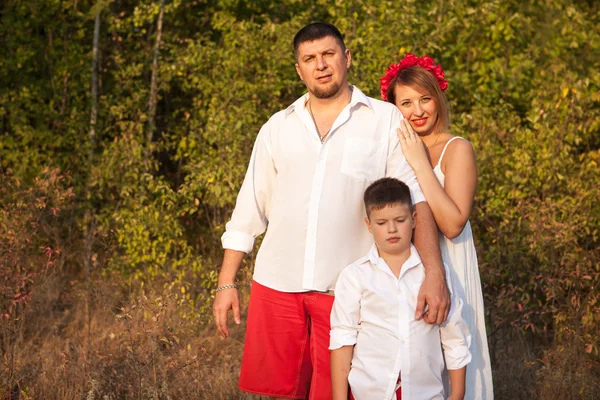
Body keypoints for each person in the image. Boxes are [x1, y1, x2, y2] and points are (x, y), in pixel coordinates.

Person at [213, 23, 449, 399]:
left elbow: (416, 200)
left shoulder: (385, 120)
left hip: (347, 289)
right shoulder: (277, 127)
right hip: (277, 285)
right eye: (309, 59)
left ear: (347, 58)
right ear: (299, 69)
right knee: (280, 393)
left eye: (328, 54)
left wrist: (433, 273)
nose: (320, 65)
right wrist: (227, 282)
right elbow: (248, 210)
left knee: (340, 392)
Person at [380, 53, 494, 399]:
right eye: (406, 102)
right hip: (403, 269)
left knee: (453, 359)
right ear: (393, 107)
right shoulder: (391, 148)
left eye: (425, 99)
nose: (418, 111)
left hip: (449, 266)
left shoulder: (457, 149)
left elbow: (452, 224)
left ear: (438, 98)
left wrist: (420, 164)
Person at [330, 177, 471, 400]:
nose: (392, 229)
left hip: (426, 394)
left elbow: (454, 335)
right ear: (369, 225)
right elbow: (342, 338)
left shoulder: (435, 275)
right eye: (382, 222)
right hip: (370, 393)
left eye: (400, 220)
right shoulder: (355, 276)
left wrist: (458, 393)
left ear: (414, 219)